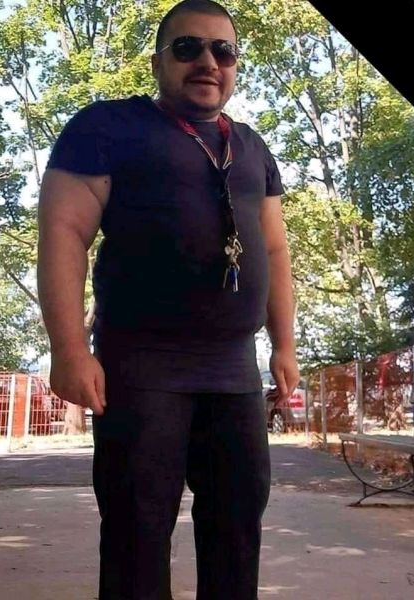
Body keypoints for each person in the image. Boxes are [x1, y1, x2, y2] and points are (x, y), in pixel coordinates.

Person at [37, 0, 299, 597]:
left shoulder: (252, 146)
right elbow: (64, 233)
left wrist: (284, 345)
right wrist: (69, 350)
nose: (208, 61)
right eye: (188, 47)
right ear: (158, 61)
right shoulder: (106, 128)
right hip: (141, 367)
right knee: (136, 533)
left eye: (223, 51)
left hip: (235, 370)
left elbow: (275, 249)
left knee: (237, 530)